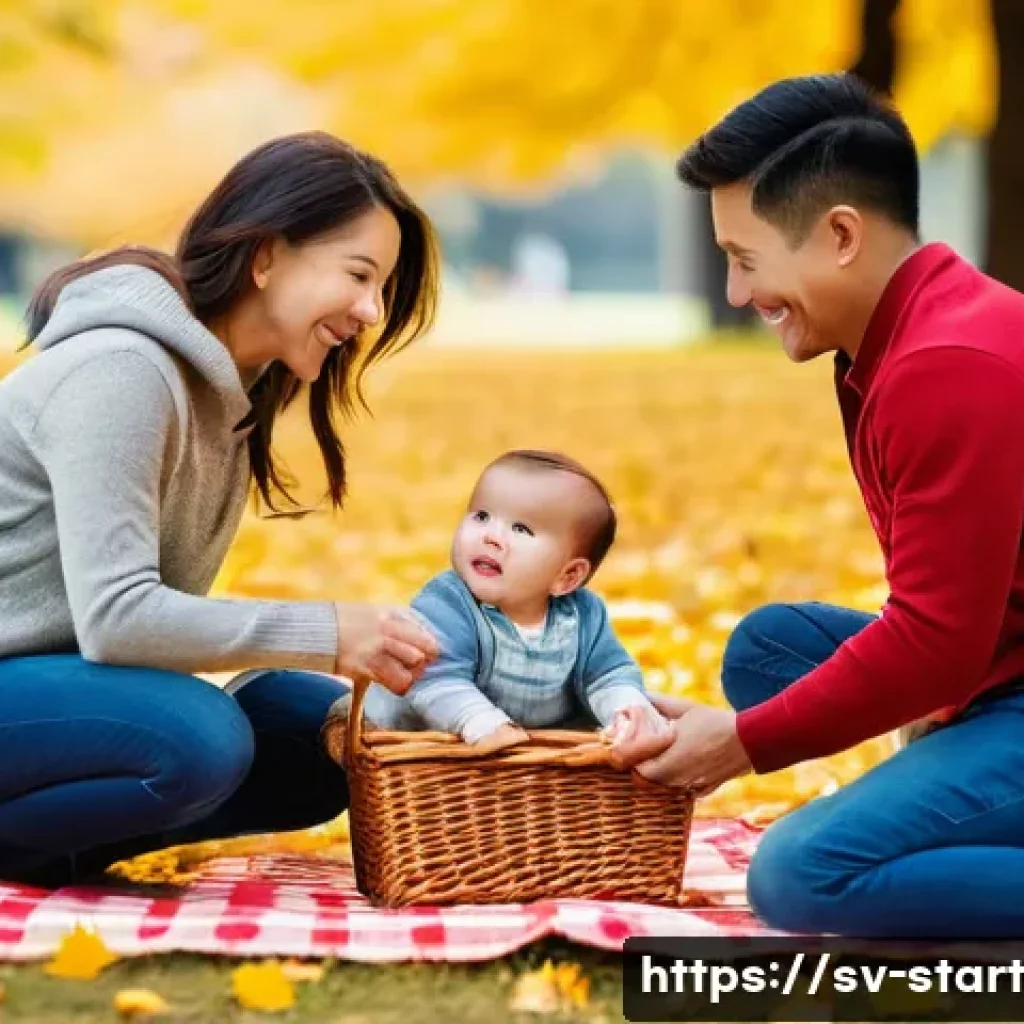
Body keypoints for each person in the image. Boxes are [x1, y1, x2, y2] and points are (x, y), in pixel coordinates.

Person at [612, 73, 1024, 939]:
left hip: (992, 679)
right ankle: (953, 784)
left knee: (802, 875)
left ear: (841, 234)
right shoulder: (895, 336)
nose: (734, 293)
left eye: (745, 259)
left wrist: (743, 744)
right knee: (769, 650)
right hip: (996, 668)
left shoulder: (947, 365)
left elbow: (938, 646)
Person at [0, 131, 442, 889]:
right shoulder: (124, 372)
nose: (370, 310)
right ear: (266, 256)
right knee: (198, 738)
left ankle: (50, 852)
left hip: (43, 682)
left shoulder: (232, 396)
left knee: (322, 736)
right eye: (360, 275)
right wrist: (330, 631)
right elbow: (120, 618)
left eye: (382, 288)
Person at [330, 449, 667, 751]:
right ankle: (337, 716)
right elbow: (433, 677)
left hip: (522, 760)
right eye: (481, 516)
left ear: (567, 577)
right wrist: (480, 722)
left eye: (521, 529)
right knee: (366, 716)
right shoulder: (449, 602)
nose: (491, 536)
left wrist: (627, 710)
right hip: (421, 746)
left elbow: (607, 674)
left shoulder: (583, 615)